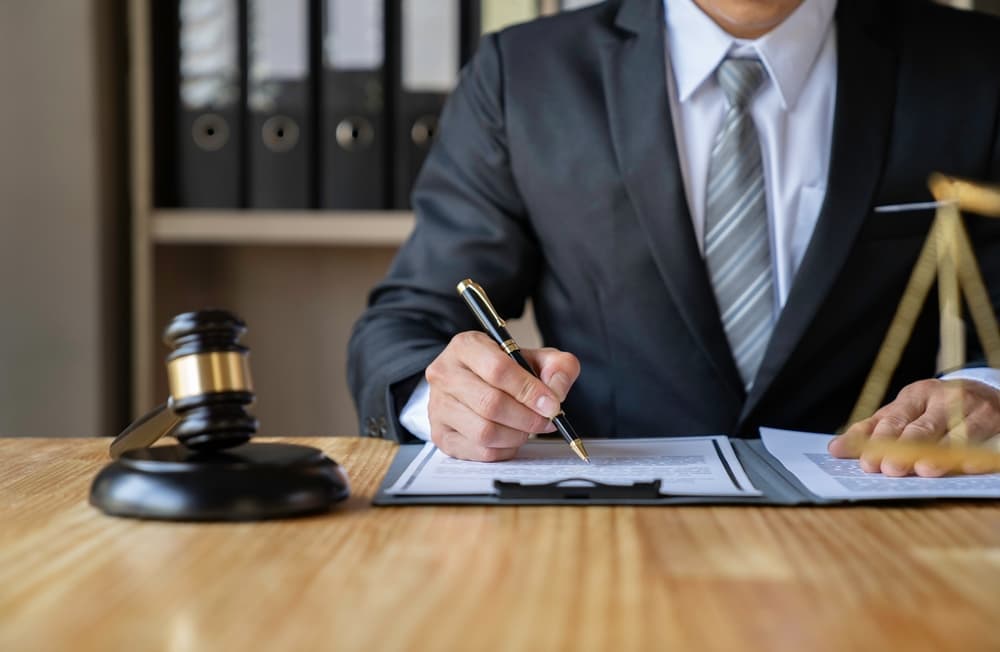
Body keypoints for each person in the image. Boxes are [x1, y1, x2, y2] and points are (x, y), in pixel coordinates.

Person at [348, 0, 1000, 476]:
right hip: (615, 528)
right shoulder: (523, 75)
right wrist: (450, 399)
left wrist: (986, 391)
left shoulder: (980, 68)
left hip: (894, 527)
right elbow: (405, 324)